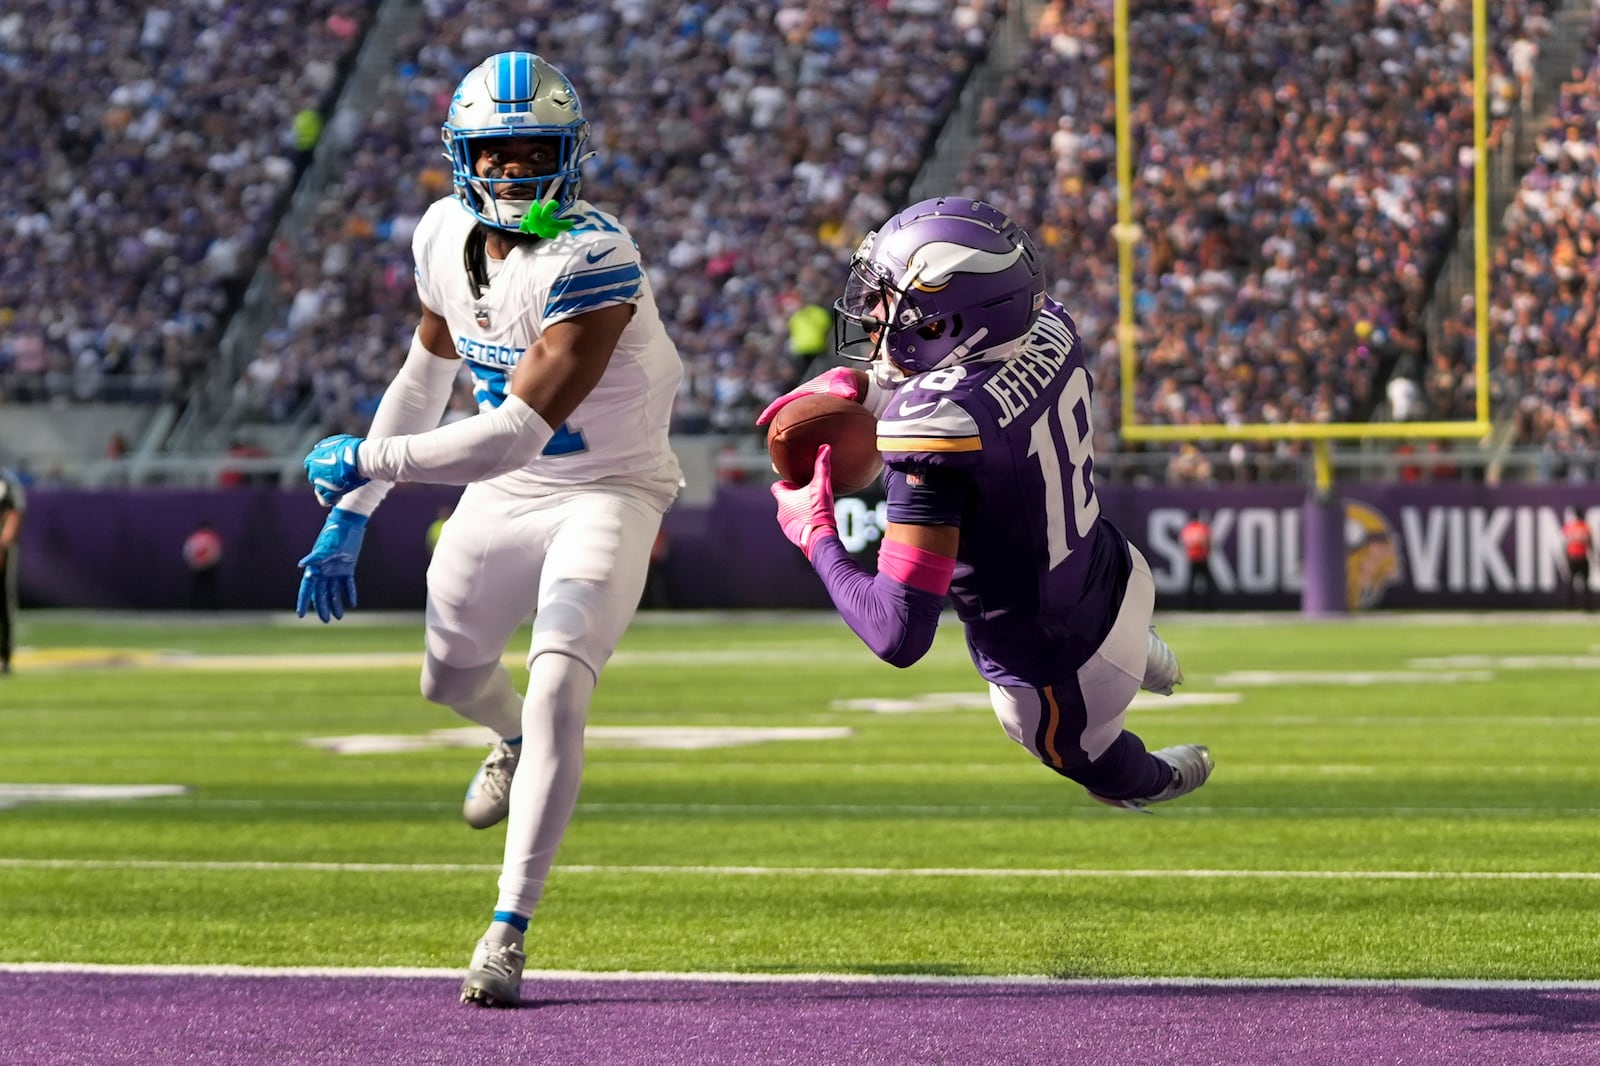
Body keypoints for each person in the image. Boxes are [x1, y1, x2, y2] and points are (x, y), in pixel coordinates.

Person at [293, 51, 682, 1009]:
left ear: (570, 154)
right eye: (496, 155)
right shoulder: (441, 234)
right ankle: (503, 739)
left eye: (533, 152)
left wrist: (366, 466)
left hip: (608, 488)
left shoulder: (597, 257)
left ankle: (507, 927)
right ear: (462, 158)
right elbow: (425, 380)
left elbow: (516, 429)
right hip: (506, 497)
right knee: (447, 676)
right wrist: (354, 517)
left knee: (558, 684)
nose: (514, 172)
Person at [757, 197, 1210, 813]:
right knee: (1115, 639)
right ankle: (1151, 659)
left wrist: (816, 534)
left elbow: (898, 633)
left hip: (1059, 665)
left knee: (1089, 764)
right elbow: (966, 370)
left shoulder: (938, 430)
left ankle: (1162, 777)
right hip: (1116, 570)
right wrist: (862, 386)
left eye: (895, 303)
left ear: (951, 320)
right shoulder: (1047, 321)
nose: (871, 314)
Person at [0, 466, 24, 675]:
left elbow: (15, 513)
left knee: (3, 603)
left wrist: (2, 545)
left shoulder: (6, 480)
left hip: (2, 552)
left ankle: (5, 658)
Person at [182, 520, 224, 611]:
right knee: (202, 588)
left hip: (204, 566)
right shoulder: (204, 538)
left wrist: (198, 562)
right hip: (203, 566)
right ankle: (199, 607)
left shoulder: (200, 537)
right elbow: (190, 551)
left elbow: (188, 551)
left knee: (207, 588)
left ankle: (207, 607)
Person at [1180, 511, 1215, 611]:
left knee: (1191, 582)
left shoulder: (1188, 529)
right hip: (1202, 558)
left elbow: (1184, 543)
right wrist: (1207, 553)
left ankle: (1190, 605)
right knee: (1208, 583)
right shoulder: (1202, 528)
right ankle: (1208, 606)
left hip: (1192, 558)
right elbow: (1206, 541)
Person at [1562, 507, 1594, 611]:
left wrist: (1566, 559)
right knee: (1585, 583)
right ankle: (1587, 606)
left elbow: (1565, 544)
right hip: (1582, 557)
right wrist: (1593, 557)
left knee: (1570, 583)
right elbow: (1590, 543)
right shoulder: (1585, 527)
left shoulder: (1570, 527)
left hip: (1572, 558)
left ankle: (1569, 606)